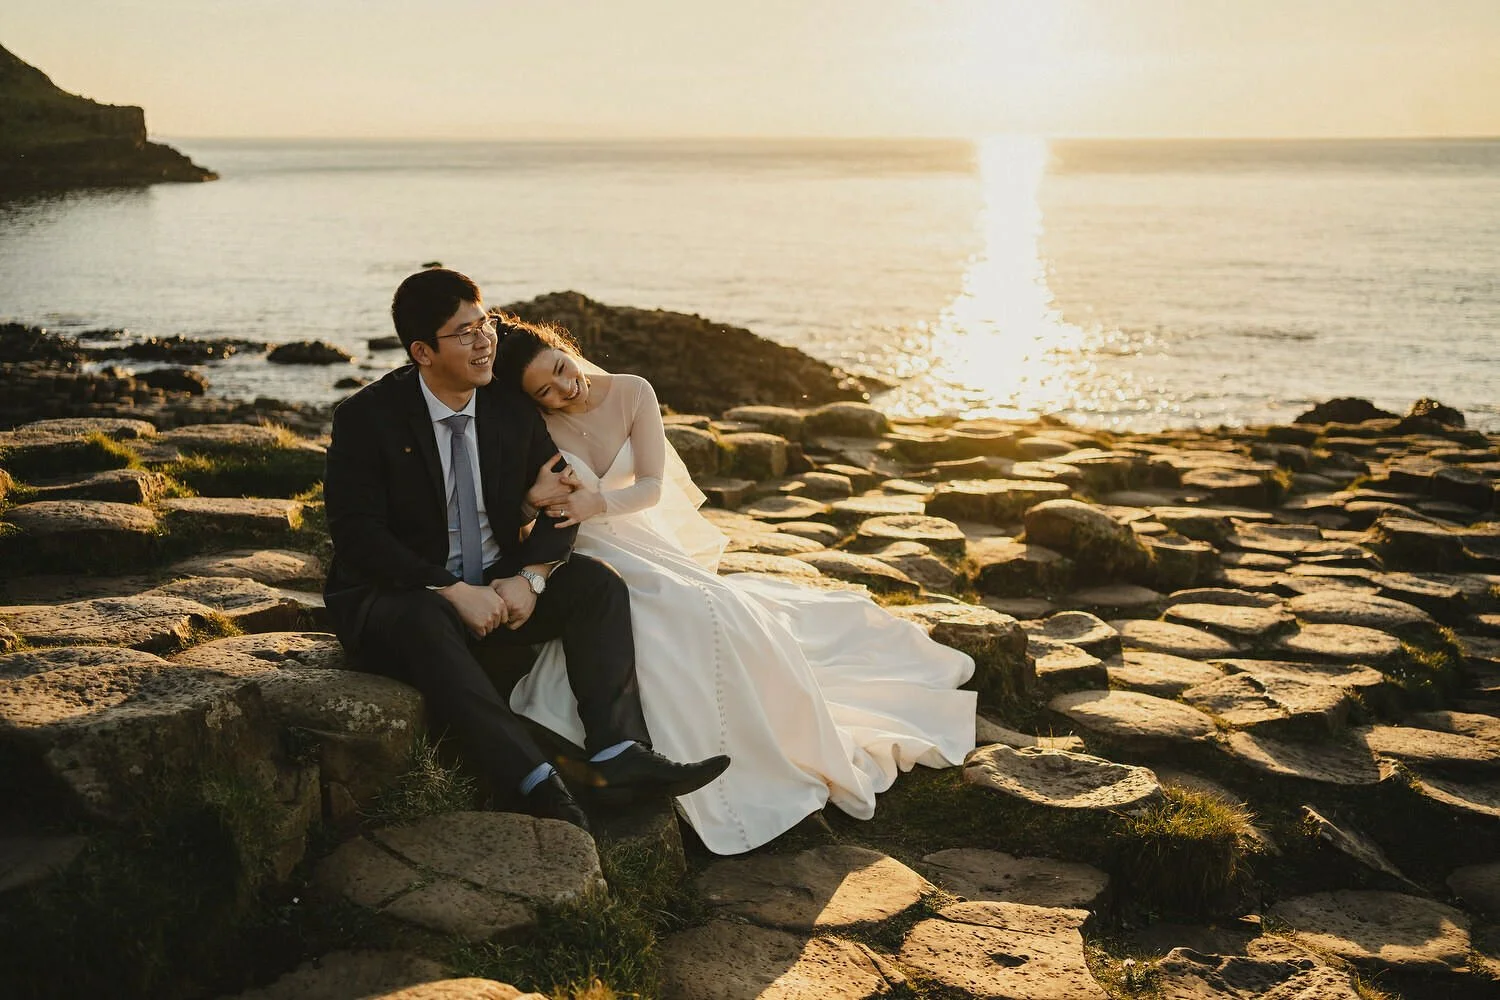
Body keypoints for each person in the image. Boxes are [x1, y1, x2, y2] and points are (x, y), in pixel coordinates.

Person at [491, 314, 978, 855]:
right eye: (546, 391)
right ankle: (642, 756)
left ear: (565, 348)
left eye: (561, 369)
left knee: (721, 609)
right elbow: (518, 507)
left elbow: (652, 486)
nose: (564, 388)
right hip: (591, 547)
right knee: (664, 615)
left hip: (638, 530)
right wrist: (538, 502)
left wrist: (598, 500)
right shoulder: (533, 424)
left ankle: (751, 746)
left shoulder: (632, 391)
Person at [322, 268, 729, 834]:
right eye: (463, 333)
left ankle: (620, 754)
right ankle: (534, 780)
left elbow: (563, 502)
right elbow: (358, 535)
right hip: (406, 592)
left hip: (499, 580)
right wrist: (452, 589)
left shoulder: (508, 408)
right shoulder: (368, 418)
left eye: (483, 322)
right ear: (422, 351)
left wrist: (531, 576)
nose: (484, 339)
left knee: (597, 585)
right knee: (423, 619)